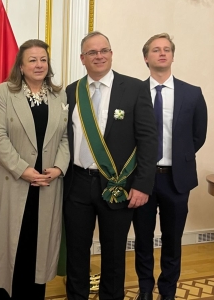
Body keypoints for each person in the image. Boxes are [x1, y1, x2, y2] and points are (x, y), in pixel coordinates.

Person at [64, 31, 158, 300]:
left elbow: (149, 141)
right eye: (92, 52)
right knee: (77, 252)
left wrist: (142, 185)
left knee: (114, 254)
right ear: (82, 58)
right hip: (77, 184)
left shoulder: (135, 89)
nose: (99, 56)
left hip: (118, 186)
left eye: (104, 50)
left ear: (111, 54)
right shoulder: (72, 91)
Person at [0, 39, 70, 300]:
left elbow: (66, 137)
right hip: (15, 181)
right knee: (13, 247)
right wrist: (24, 170)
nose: (39, 64)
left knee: (39, 248)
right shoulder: (3, 93)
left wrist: (58, 168)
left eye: (43, 59)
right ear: (20, 66)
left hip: (48, 184)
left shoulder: (60, 95)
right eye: (32, 60)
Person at [133, 33, 208, 300]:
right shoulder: (134, 93)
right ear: (146, 58)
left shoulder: (192, 93)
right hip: (142, 179)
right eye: (156, 49)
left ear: (172, 56)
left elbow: (197, 136)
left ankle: (168, 291)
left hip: (177, 179)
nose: (162, 53)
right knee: (142, 240)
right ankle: (144, 289)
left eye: (167, 49)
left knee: (172, 240)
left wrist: (178, 158)